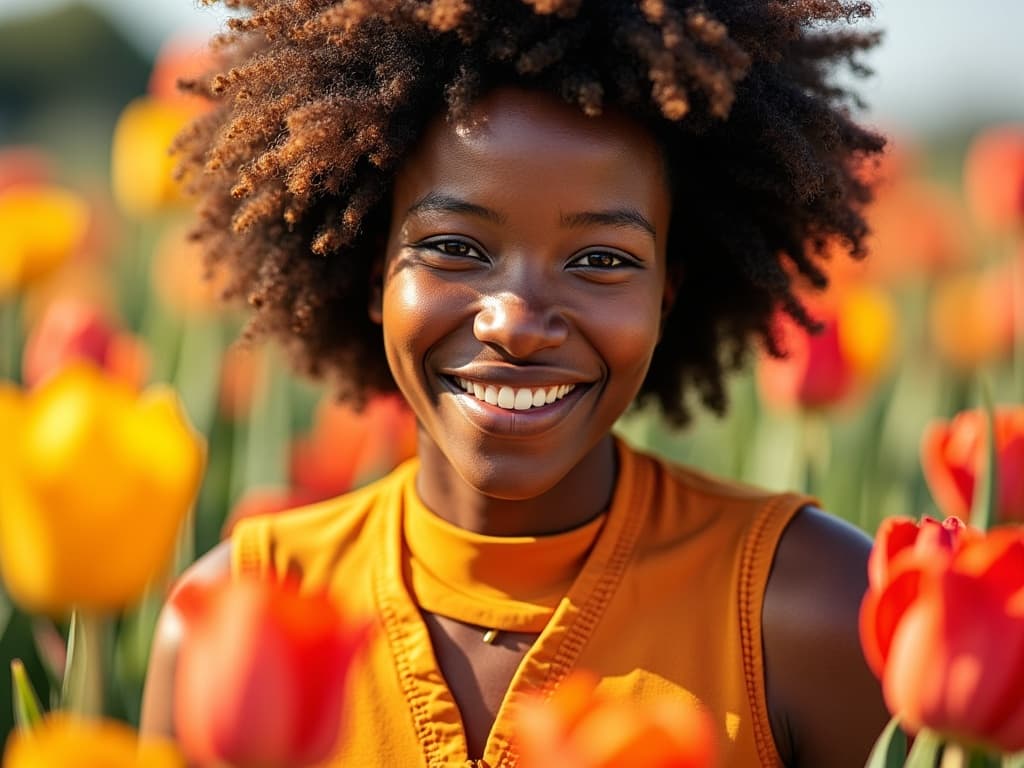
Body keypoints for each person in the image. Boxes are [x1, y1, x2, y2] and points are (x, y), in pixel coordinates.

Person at [141, 1, 892, 765]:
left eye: (601, 259)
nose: (517, 323)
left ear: (667, 296)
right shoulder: (232, 621)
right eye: (455, 247)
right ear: (374, 280)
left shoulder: (809, 612)